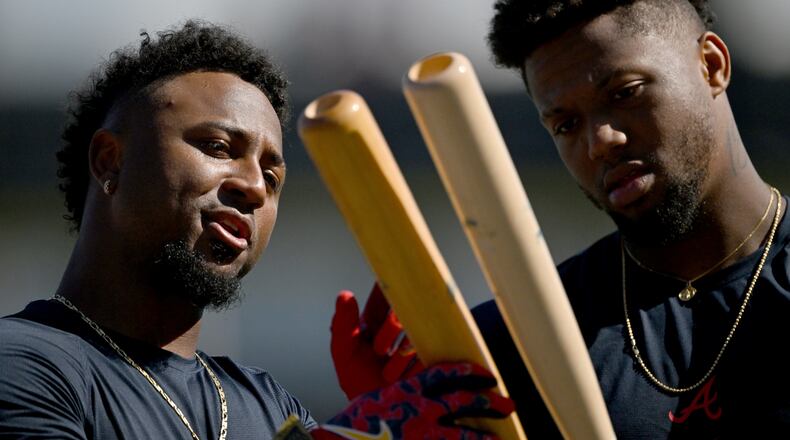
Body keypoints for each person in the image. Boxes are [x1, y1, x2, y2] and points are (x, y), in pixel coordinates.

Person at [0, 20, 514, 439]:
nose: (253, 187)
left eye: (272, 176)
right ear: (110, 161)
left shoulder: (267, 406)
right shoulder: (25, 362)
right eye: (219, 148)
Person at [331, 0, 790, 437]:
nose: (599, 141)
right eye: (566, 125)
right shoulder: (512, 351)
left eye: (624, 92)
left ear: (711, 65)